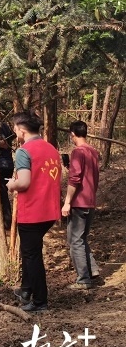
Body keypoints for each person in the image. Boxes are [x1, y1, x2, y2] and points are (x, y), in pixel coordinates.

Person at [7, 111, 61, 312]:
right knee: (30, 251)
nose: (14, 132)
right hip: (50, 210)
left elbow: (24, 182)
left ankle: (40, 301)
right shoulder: (51, 149)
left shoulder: (24, 151)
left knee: (32, 255)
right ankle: (26, 289)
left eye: (14, 129)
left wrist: (12, 184)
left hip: (33, 211)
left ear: (21, 130)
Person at [61, 120, 101, 289]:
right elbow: (88, 175)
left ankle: (83, 279)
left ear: (72, 134)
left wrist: (67, 202)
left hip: (79, 202)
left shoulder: (78, 151)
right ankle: (92, 270)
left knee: (74, 240)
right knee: (81, 238)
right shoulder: (93, 151)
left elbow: (75, 179)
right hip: (90, 201)